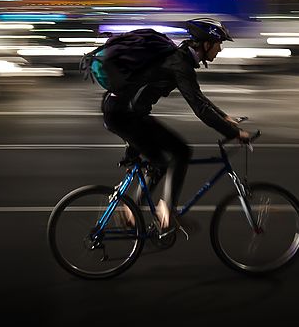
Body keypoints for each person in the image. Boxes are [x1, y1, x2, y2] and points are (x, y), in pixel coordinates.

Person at [101, 18, 252, 233]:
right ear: (206, 44)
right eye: (219, 44)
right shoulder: (179, 64)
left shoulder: (179, 59)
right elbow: (199, 109)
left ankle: (132, 210)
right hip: (124, 115)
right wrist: (234, 133)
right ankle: (165, 212)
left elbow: (198, 98)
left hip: (123, 111)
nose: (220, 50)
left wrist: (224, 117)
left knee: (160, 162)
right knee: (181, 152)